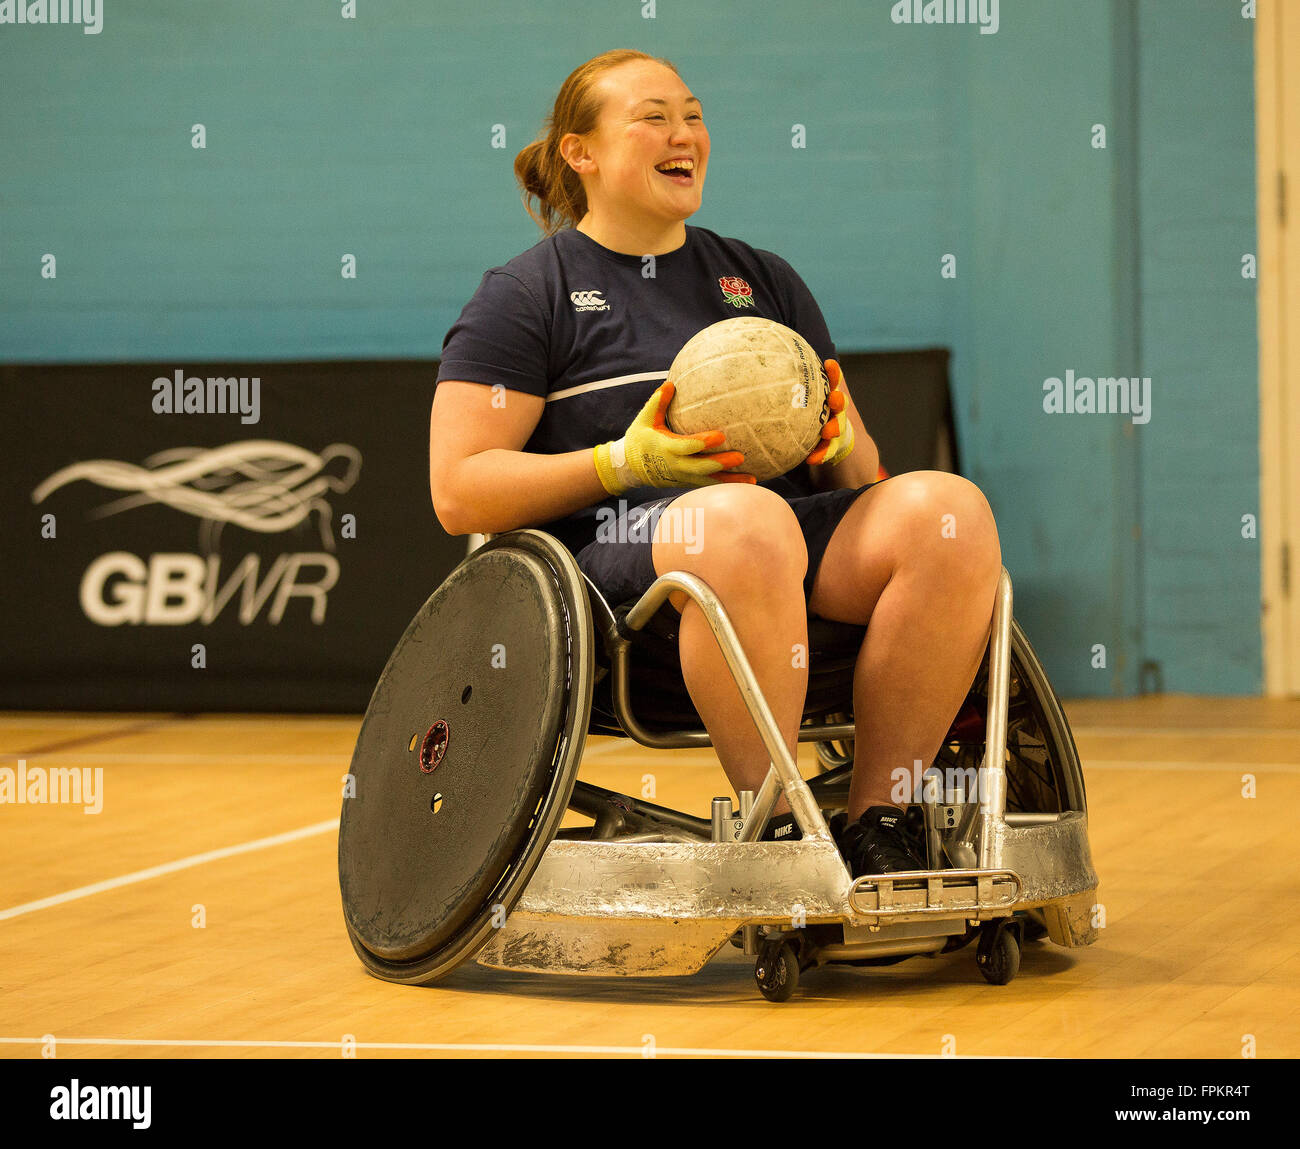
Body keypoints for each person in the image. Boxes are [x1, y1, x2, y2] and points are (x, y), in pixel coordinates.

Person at [429, 49, 1002, 875]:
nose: (684, 133)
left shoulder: (761, 278)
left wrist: (841, 442)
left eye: (693, 115)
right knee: (743, 518)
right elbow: (458, 490)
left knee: (949, 513)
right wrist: (625, 461)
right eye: (653, 116)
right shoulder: (528, 296)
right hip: (622, 586)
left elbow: (861, 479)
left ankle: (883, 821)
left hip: (778, 546)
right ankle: (780, 826)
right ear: (579, 153)